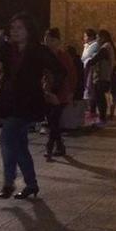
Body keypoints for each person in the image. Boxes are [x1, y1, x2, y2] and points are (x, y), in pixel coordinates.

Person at [0, 13, 65, 199]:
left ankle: (9, 182)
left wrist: (51, 91)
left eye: (19, 28)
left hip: (28, 102)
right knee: (20, 145)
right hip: (10, 101)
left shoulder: (39, 50)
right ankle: (31, 184)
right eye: (12, 28)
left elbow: (60, 71)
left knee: (6, 138)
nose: (14, 31)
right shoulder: (8, 49)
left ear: (29, 30)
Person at [43, 28, 76, 157]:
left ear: (58, 41)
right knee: (52, 120)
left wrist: (71, 92)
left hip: (61, 92)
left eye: (51, 40)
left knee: (54, 119)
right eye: (46, 40)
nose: (48, 43)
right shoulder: (44, 56)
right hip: (47, 91)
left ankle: (49, 146)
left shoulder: (64, 56)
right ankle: (60, 146)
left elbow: (72, 74)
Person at [85, 29, 116, 127]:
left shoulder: (105, 48)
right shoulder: (109, 46)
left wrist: (87, 63)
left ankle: (102, 119)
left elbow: (95, 59)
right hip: (104, 76)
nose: (97, 40)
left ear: (103, 38)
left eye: (98, 38)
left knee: (100, 98)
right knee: (98, 97)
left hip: (102, 77)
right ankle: (98, 116)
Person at [81, 29, 100, 122]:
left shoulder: (95, 45)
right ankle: (89, 109)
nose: (84, 38)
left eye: (85, 36)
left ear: (91, 37)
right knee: (87, 89)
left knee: (91, 89)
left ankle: (92, 110)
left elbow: (89, 56)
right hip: (86, 69)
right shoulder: (87, 45)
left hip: (91, 70)